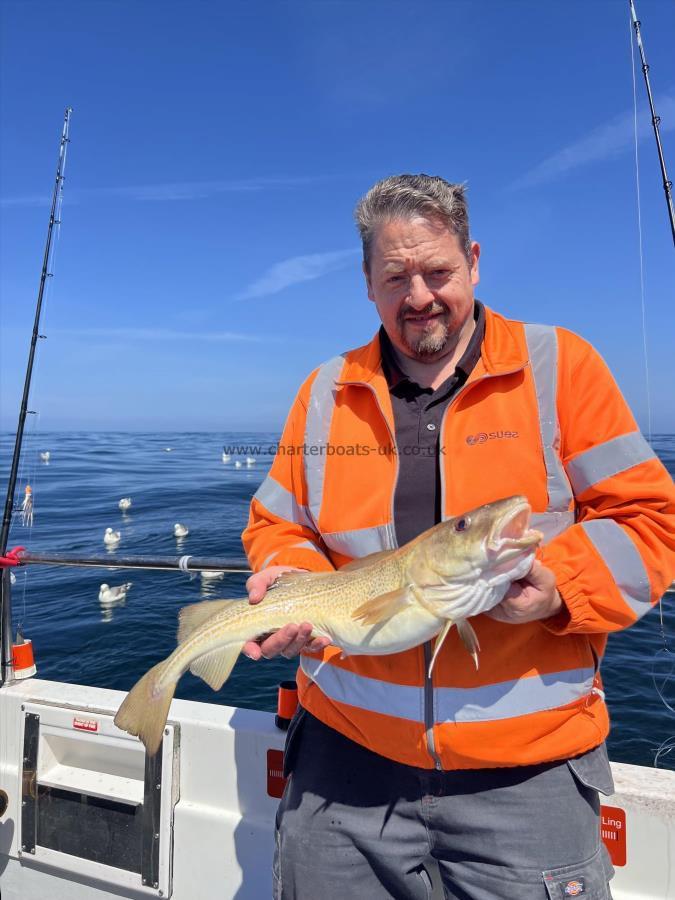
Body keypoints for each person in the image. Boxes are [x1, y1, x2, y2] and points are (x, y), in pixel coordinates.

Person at [241, 174, 675, 899]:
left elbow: (651, 520)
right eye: (394, 277)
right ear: (367, 284)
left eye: (437, 271)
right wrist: (291, 580)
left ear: (473, 260)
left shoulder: (559, 366)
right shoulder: (324, 392)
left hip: (525, 772)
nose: (418, 296)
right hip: (341, 760)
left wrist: (559, 586)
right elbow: (278, 524)